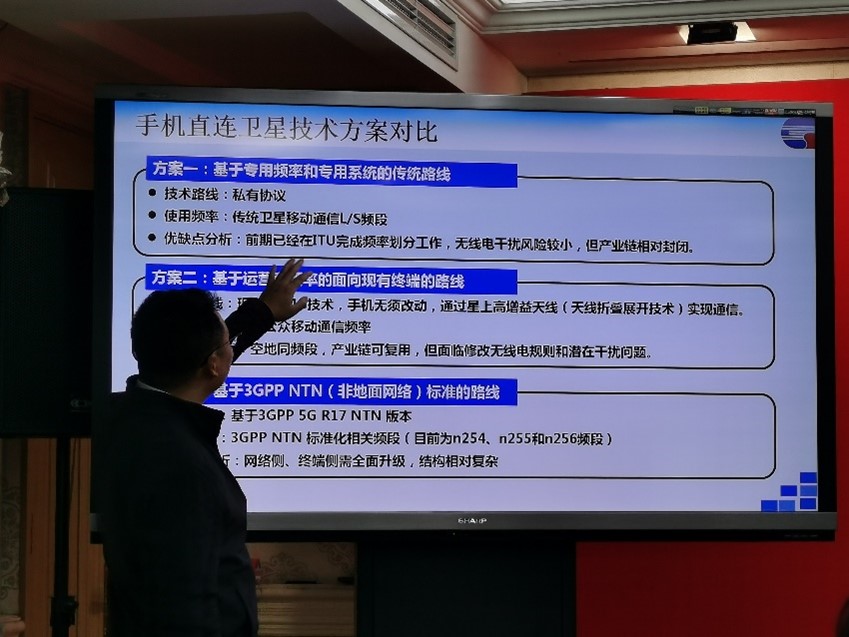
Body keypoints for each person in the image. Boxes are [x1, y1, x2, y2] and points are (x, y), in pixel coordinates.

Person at [96, 258, 311, 637]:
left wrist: (262, 311)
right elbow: (186, 602)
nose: (231, 348)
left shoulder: (124, 417)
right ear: (213, 364)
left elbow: (201, 354)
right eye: (226, 343)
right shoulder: (182, 464)